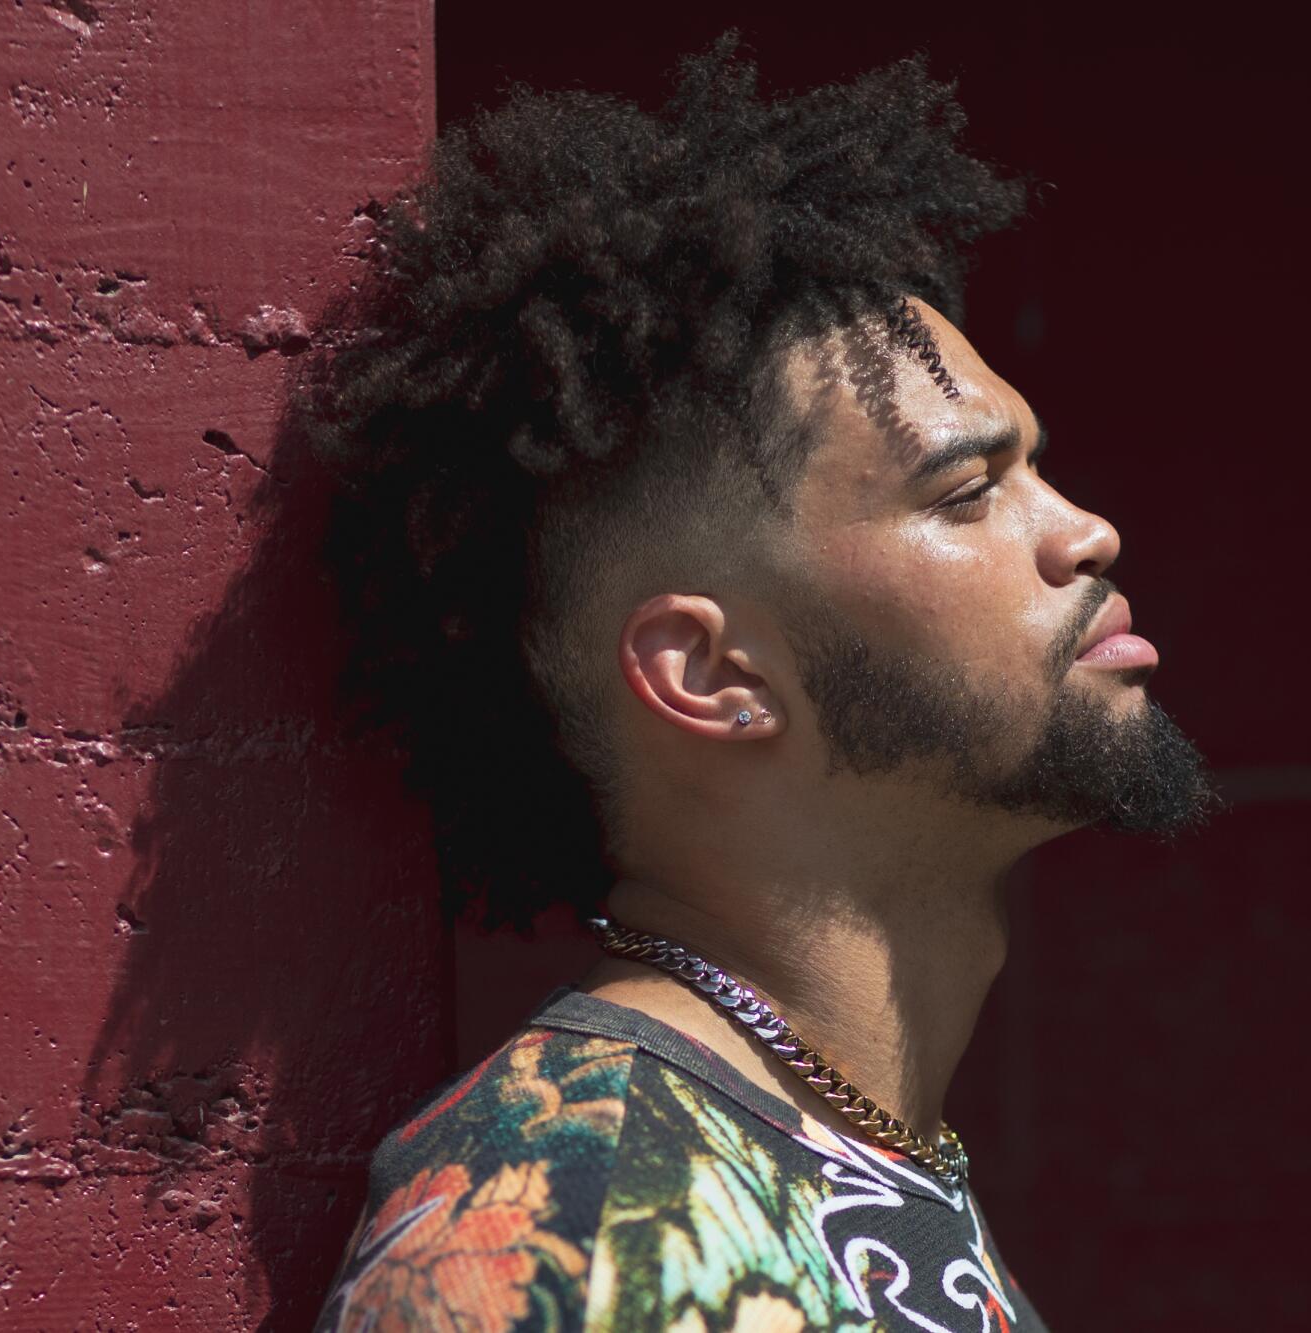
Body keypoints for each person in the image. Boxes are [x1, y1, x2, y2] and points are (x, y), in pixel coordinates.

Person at [299, 29, 1222, 1332]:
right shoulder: (568, 1223)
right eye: (967, 490)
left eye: (1039, 467)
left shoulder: (855, 1140)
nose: (1083, 531)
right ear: (713, 672)